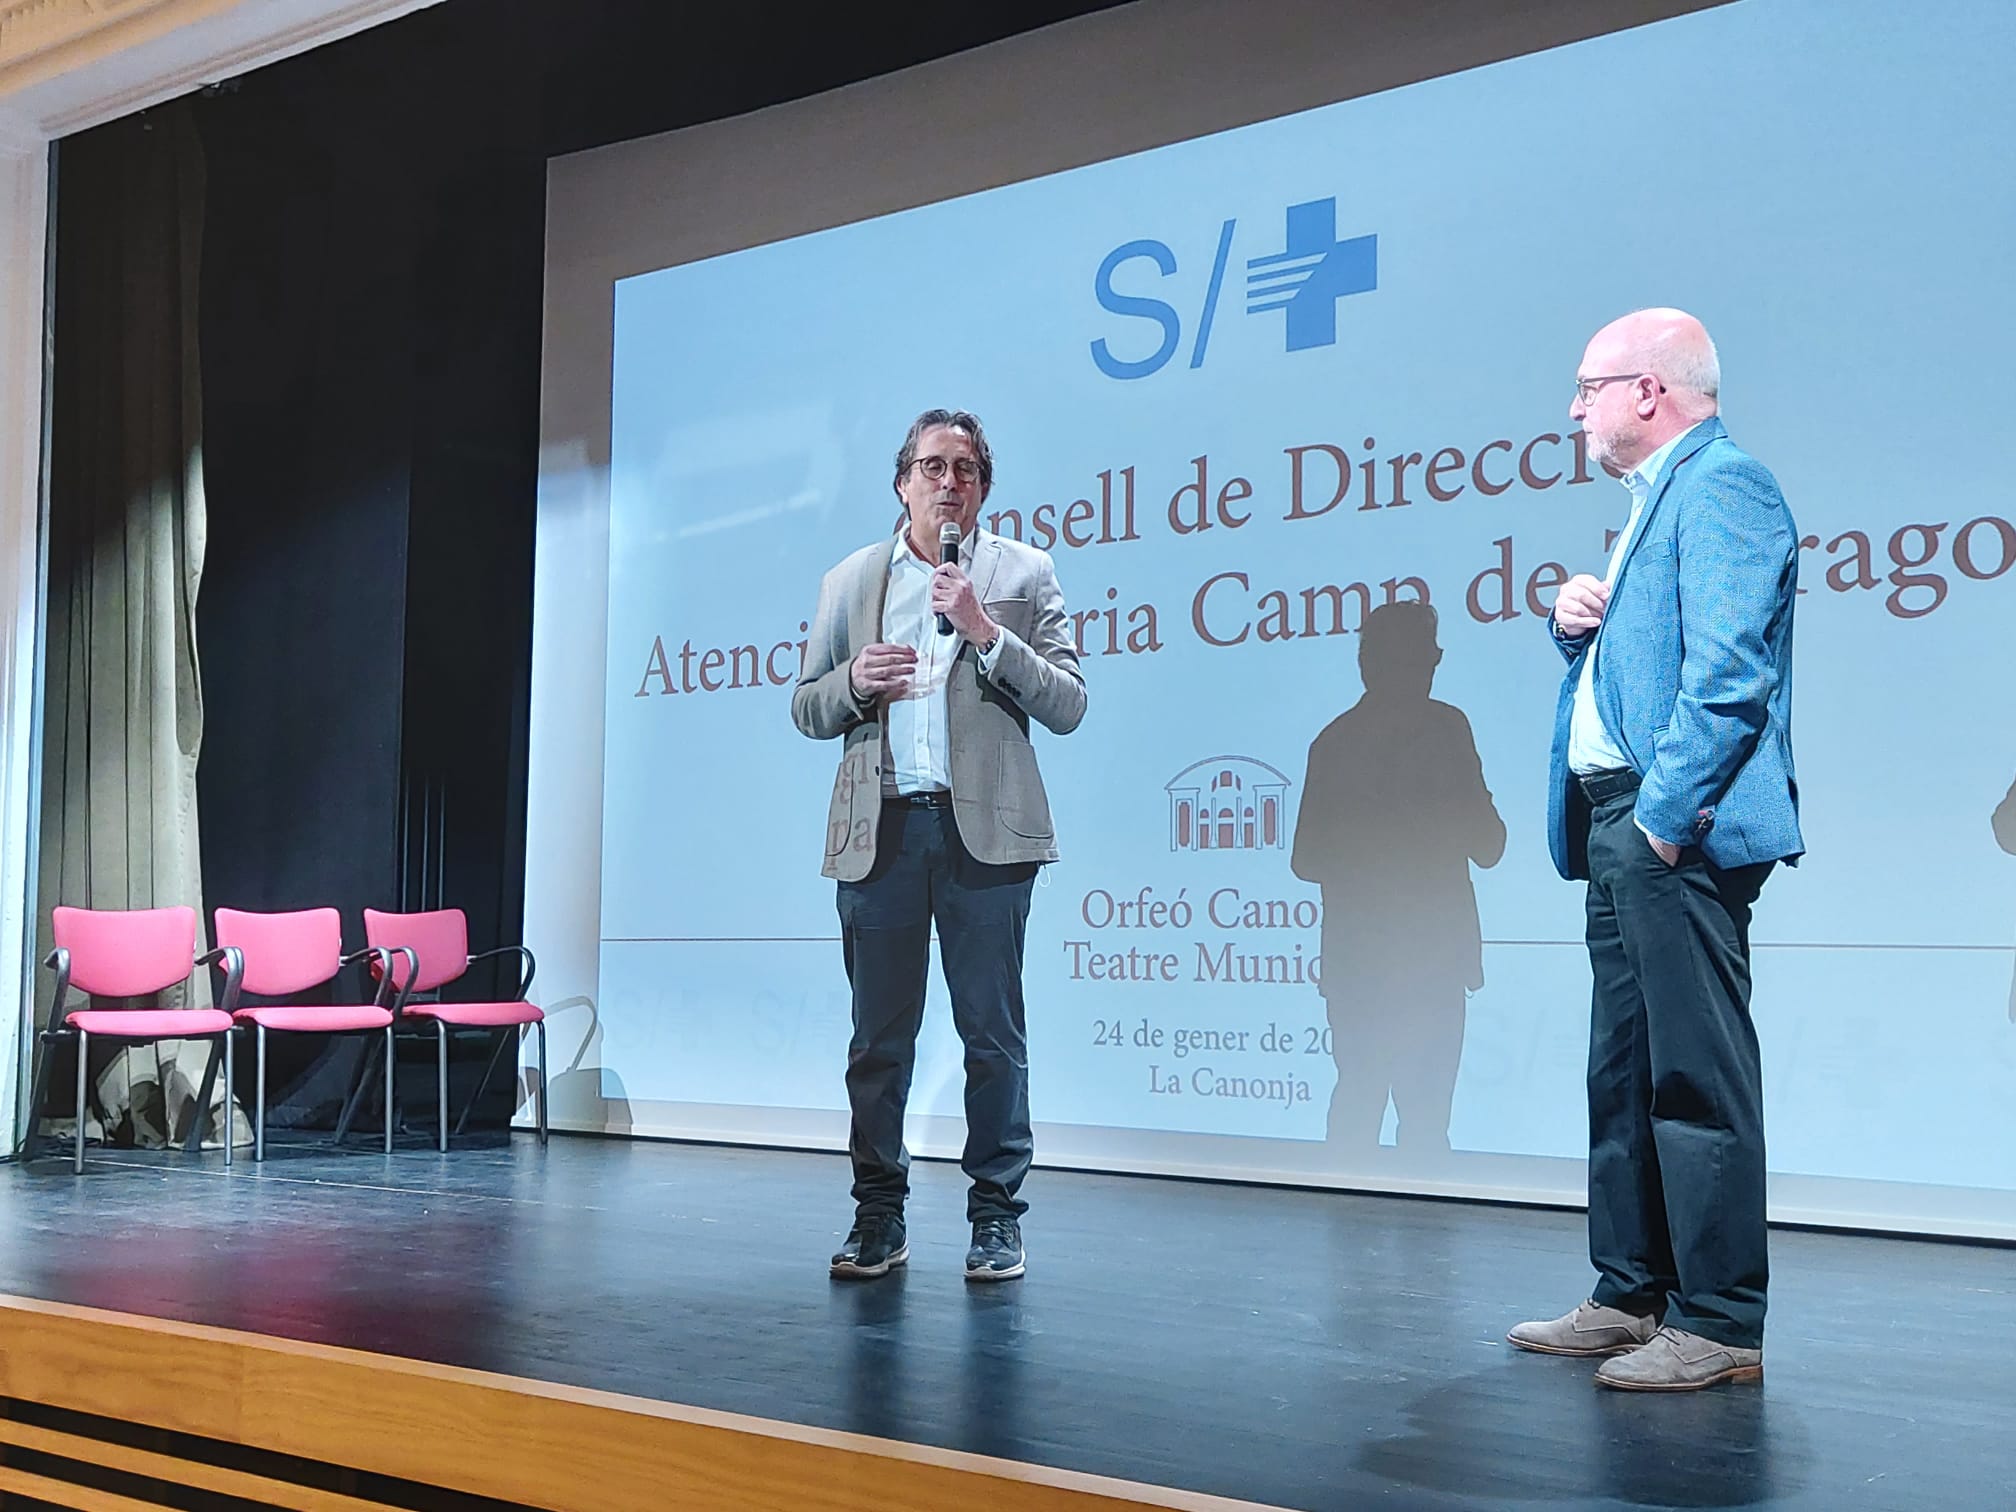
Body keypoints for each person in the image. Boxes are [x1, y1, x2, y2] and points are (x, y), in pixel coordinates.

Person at [1508, 309, 1801, 1391]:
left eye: (1587, 387)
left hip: (1673, 822)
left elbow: (1730, 676)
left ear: (1648, 390)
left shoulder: (1724, 484)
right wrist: (1573, 627)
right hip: (1619, 819)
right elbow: (1655, 663)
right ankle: (1631, 1294)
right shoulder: (1652, 501)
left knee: (1694, 1072)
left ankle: (1719, 1321)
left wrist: (1666, 819)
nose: (1574, 409)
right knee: (1624, 1070)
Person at [792, 408, 1086, 1283]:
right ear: (902, 482)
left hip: (985, 835)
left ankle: (996, 1216)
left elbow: (1069, 702)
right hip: (880, 831)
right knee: (878, 1041)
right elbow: (806, 707)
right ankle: (878, 1215)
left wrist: (987, 633)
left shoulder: (1024, 572)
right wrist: (853, 681)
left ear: (983, 488)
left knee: (992, 1037)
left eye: (964, 469)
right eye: (932, 466)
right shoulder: (850, 580)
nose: (948, 482)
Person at [1290, 600, 1504, 1153]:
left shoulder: (1334, 740)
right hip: (1418, 958)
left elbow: (1306, 859)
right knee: (1418, 1125)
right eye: (1426, 656)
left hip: (1375, 961)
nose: (1431, 667)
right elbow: (1490, 843)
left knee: (1364, 1113)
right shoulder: (1446, 730)